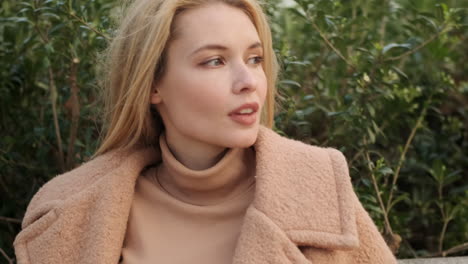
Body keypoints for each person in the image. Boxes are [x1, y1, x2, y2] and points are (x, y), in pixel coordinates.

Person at [14, 0, 397, 263]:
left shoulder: (318, 189)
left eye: (255, 58)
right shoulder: (72, 209)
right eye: (214, 61)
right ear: (152, 85)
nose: (249, 81)